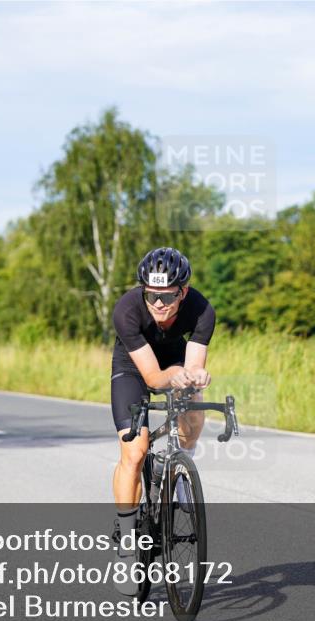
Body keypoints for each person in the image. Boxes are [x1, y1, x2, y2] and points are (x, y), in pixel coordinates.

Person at [109, 247, 215, 595]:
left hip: (175, 358)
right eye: (151, 295)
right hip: (134, 367)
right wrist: (175, 375)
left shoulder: (202, 310)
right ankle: (127, 546)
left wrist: (196, 375)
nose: (157, 303)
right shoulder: (127, 310)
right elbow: (154, 378)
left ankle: (177, 467)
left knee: (193, 403)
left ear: (183, 292)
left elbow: (194, 363)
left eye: (167, 296)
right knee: (135, 450)